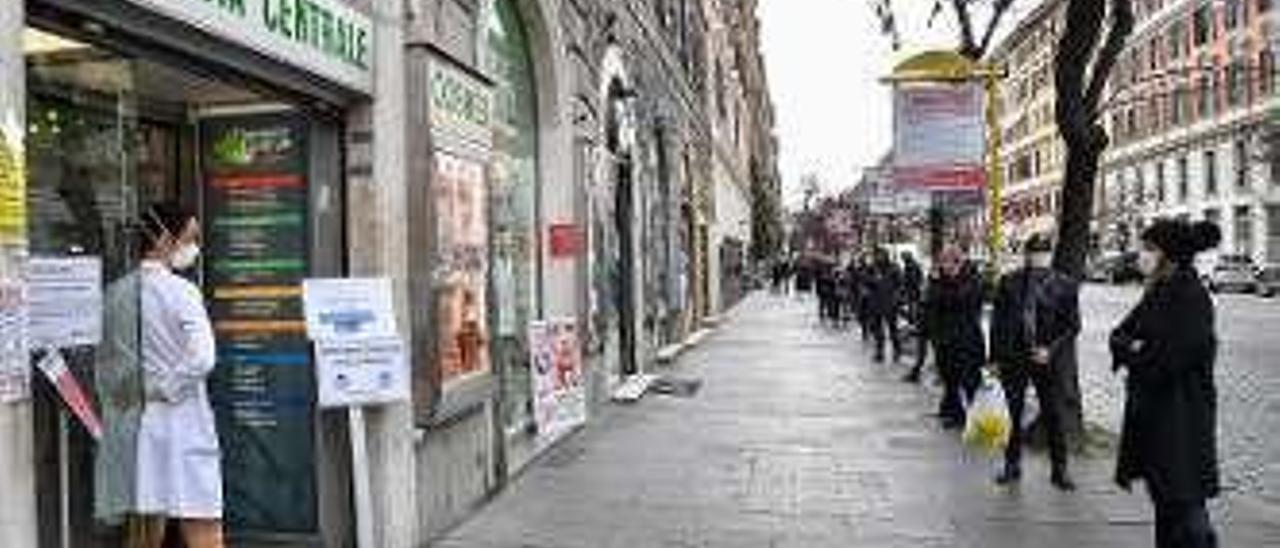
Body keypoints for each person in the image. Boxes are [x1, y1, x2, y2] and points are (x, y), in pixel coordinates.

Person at [1110, 220, 1221, 548]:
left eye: (1149, 248)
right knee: (1165, 501)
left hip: (1182, 418)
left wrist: (1138, 351)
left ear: (1167, 254)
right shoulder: (1158, 291)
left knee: (1186, 506)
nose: (1142, 255)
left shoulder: (1191, 296)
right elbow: (1120, 334)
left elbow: (1170, 359)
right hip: (1156, 416)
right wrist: (1136, 349)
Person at [132, 203, 224, 548]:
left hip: (141, 425)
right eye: (190, 238)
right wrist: (167, 388)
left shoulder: (119, 294)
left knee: (146, 529)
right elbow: (203, 358)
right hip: (184, 423)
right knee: (204, 528)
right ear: (164, 239)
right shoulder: (181, 292)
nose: (194, 247)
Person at [990, 233, 1080, 491]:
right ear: (1026, 255)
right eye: (1033, 252)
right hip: (1014, 356)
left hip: (1046, 359)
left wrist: (1050, 350)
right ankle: (1011, 464)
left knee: (1053, 413)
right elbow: (998, 324)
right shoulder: (1009, 282)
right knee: (1013, 412)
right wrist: (994, 358)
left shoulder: (1064, 285)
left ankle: (1060, 468)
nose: (1037, 257)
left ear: (1049, 255)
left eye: (1042, 253)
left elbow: (1072, 326)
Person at [922, 245, 986, 428]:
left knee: (970, 380)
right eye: (942, 263)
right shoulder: (938, 281)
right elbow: (930, 303)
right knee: (950, 380)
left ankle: (976, 417)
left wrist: (940, 285)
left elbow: (960, 299)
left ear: (957, 262)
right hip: (944, 340)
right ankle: (956, 415)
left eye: (946, 262)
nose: (943, 266)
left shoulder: (972, 278)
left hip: (967, 340)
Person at [863, 248, 902, 363]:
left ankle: (897, 350)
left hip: (890, 303)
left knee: (893, 329)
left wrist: (897, 297)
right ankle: (880, 352)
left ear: (886, 255)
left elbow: (900, 283)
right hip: (875, 303)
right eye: (878, 255)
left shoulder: (894, 268)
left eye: (882, 255)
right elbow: (864, 279)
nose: (880, 257)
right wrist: (873, 280)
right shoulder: (872, 268)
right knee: (877, 330)